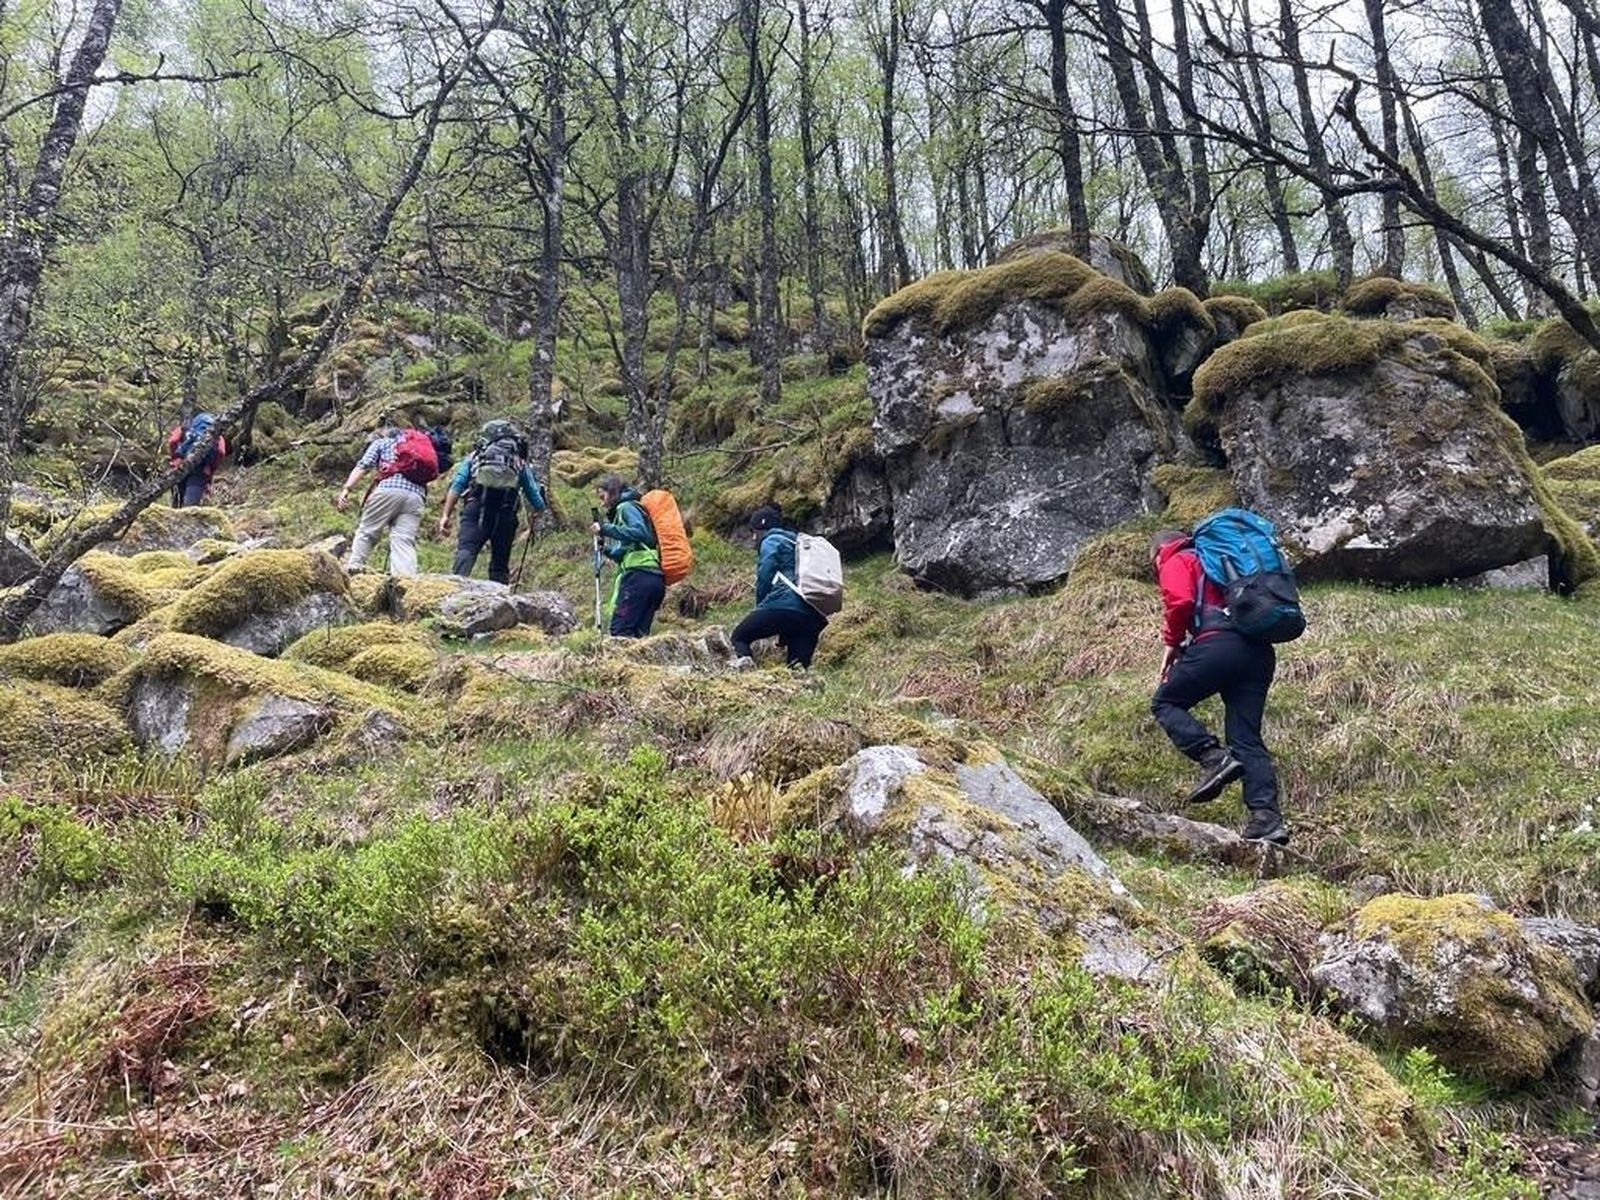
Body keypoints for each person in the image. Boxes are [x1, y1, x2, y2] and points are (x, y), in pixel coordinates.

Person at [1149, 528, 1288, 845]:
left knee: (1165, 703)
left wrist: (1172, 642)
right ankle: (1267, 818)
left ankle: (1213, 757)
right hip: (1259, 653)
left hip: (1218, 645)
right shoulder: (1228, 559)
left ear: (1159, 553)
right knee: (1246, 738)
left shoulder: (1177, 558)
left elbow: (1180, 601)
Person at [436, 420, 547, 584]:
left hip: (476, 510)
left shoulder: (476, 456)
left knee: (466, 550)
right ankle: (499, 596)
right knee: (499, 564)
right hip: (506, 514)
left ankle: (456, 587)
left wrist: (446, 515)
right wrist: (538, 510)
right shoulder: (519, 462)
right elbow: (536, 499)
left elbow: (457, 485)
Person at [730, 503, 828, 669]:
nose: (753, 538)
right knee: (797, 669)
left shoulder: (771, 540)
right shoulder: (797, 543)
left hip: (783, 605)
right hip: (813, 614)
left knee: (739, 638)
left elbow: (766, 574)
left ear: (762, 529)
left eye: (754, 532)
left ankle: (747, 678)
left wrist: (761, 608)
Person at [338, 426, 428, 577]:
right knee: (404, 540)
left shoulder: (382, 443)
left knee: (367, 531)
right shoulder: (416, 450)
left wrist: (347, 488)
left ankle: (355, 567)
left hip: (389, 490)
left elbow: (364, 465)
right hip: (416, 496)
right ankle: (405, 580)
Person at [591, 473, 664, 638]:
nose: (602, 503)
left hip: (638, 578)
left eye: (603, 497)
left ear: (612, 491)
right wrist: (606, 549)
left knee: (620, 631)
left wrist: (605, 528)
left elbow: (640, 533)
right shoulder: (633, 508)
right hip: (654, 579)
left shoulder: (626, 507)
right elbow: (625, 552)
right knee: (639, 635)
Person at [167, 412, 227, 507]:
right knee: (191, 505)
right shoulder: (217, 434)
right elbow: (221, 452)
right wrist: (210, 471)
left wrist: (176, 458)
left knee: (177, 502)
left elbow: (173, 441)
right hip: (200, 471)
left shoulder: (186, 427)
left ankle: (174, 511)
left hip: (181, 466)